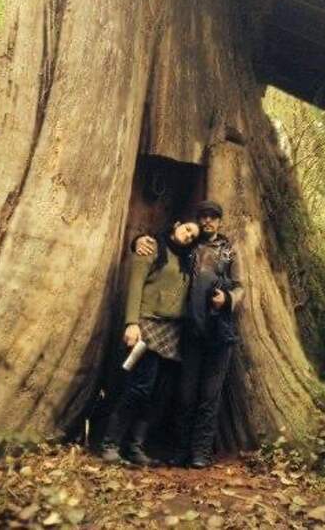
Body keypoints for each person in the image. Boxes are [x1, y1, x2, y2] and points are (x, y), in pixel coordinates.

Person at [135, 200, 244, 468]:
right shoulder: (189, 246)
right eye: (203, 216)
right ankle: (181, 449)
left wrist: (227, 298)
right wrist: (137, 241)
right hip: (190, 332)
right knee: (185, 395)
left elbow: (240, 287)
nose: (207, 221)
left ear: (219, 221)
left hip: (219, 334)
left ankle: (201, 452)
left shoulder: (229, 251)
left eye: (213, 217)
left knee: (209, 396)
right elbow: (165, 243)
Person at [99, 219, 200, 465]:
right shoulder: (151, 247)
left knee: (158, 394)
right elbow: (135, 285)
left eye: (193, 236)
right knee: (140, 387)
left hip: (172, 333)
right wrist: (131, 323)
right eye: (187, 229)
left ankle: (135, 447)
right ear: (176, 225)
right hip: (147, 325)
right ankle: (110, 444)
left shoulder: (188, 260)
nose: (189, 235)